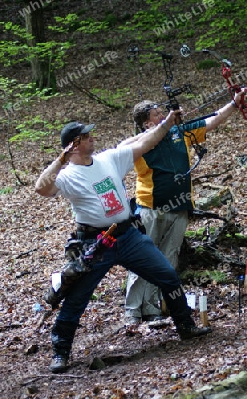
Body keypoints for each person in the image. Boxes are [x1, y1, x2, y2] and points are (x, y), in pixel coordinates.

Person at [35, 112, 212, 374]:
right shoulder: (67, 176)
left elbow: (145, 143)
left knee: (166, 275)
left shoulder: (108, 159)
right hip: (95, 243)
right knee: (76, 298)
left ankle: (185, 325)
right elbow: (41, 187)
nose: (91, 138)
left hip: (128, 235)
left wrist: (167, 123)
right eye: (84, 136)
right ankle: (60, 352)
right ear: (73, 145)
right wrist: (61, 159)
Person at [122, 91, 245, 324]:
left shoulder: (180, 132)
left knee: (167, 261)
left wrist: (234, 104)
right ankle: (133, 311)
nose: (164, 116)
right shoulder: (139, 144)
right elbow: (122, 146)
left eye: (163, 112)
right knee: (143, 259)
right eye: (158, 115)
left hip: (179, 208)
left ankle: (154, 307)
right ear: (147, 123)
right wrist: (163, 126)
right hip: (150, 208)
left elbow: (212, 120)